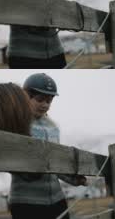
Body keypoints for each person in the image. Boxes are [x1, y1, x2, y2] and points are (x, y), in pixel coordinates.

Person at [9, 73, 87, 219]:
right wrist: (31, 172)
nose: (45, 104)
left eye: (49, 101)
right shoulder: (16, 122)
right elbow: (8, 157)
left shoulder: (53, 127)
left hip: (57, 200)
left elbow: (54, 163)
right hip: (26, 202)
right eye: (40, 100)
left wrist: (72, 178)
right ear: (26, 96)